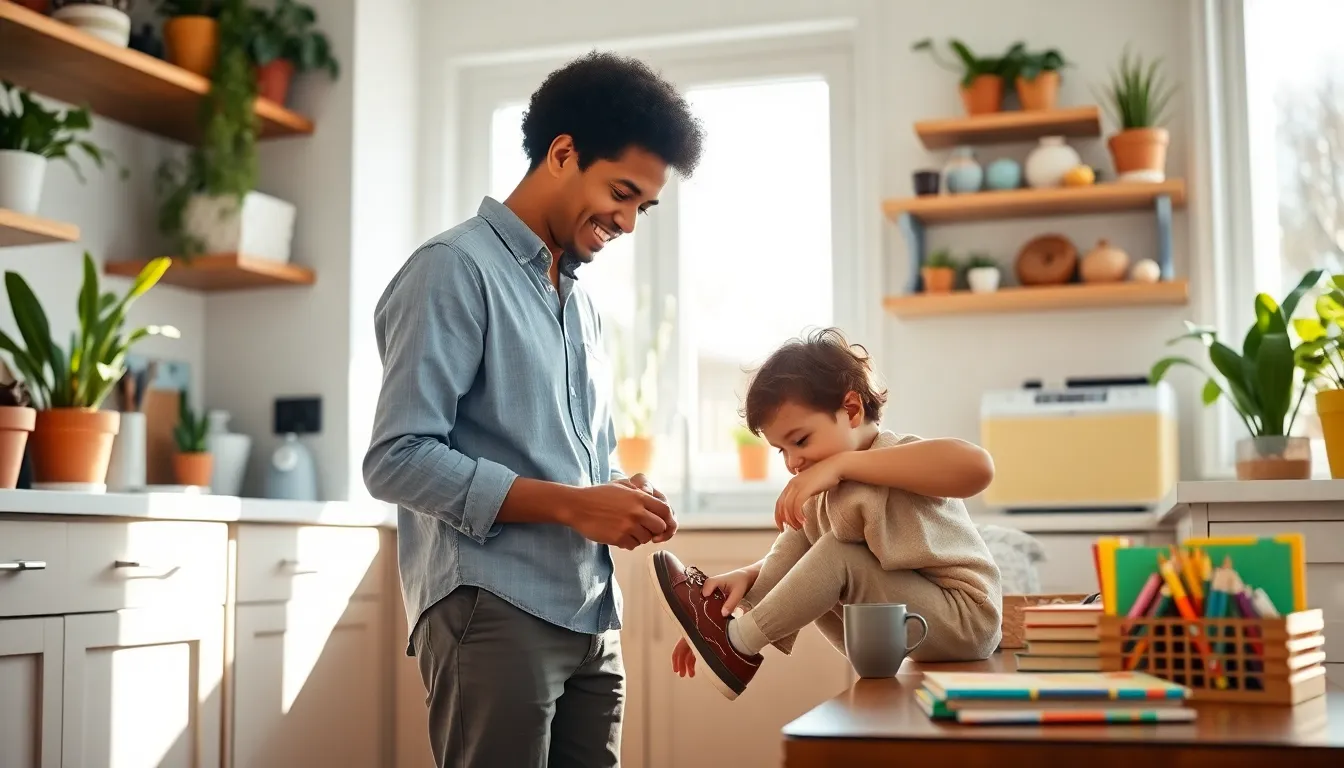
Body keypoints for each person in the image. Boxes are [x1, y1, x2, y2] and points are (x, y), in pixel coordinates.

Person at [363, 51, 705, 767]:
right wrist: (573, 506)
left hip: (590, 613)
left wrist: (616, 492)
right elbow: (397, 459)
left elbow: (584, 460)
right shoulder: (453, 269)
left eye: (644, 205)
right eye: (621, 192)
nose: (629, 221)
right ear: (562, 152)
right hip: (493, 607)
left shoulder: (580, 306)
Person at [647, 328, 1003, 700]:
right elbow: (798, 549)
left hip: (967, 619)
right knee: (807, 541)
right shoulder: (827, 494)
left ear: (851, 410)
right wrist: (746, 585)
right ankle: (725, 639)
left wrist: (843, 465)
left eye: (799, 441)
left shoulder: (897, 457)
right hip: (899, 624)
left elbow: (978, 468)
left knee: (838, 553)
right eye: (780, 450)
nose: (792, 461)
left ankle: (736, 647)